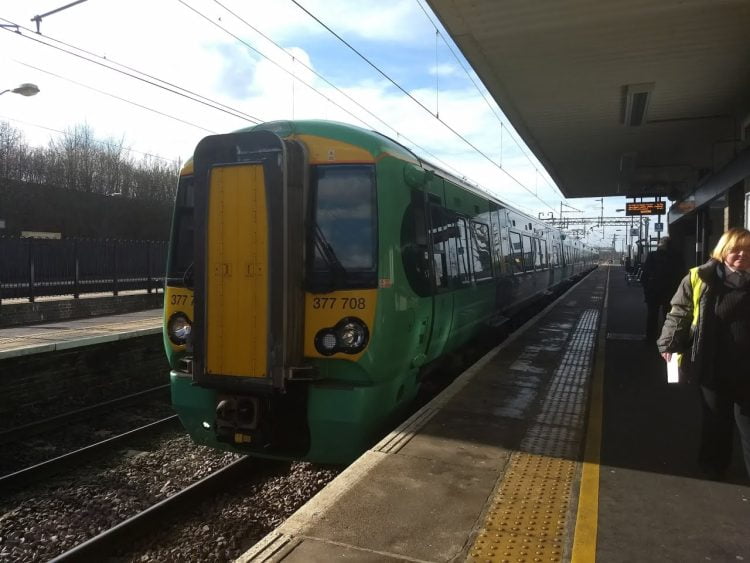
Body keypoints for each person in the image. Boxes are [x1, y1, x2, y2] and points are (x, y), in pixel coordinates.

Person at [657, 227, 750, 480]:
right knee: (715, 421)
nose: (742, 255)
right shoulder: (700, 277)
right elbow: (680, 312)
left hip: (747, 369)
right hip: (712, 363)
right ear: (722, 251)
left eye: (748, 250)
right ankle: (713, 467)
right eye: (735, 249)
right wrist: (669, 344)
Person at [641, 236, 685, 340]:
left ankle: (650, 338)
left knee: (652, 316)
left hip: (653, 292)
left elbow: (645, 275)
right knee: (669, 317)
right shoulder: (677, 257)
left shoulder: (652, 256)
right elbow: (682, 275)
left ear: (659, 245)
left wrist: (647, 289)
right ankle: (667, 339)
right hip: (670, 292)